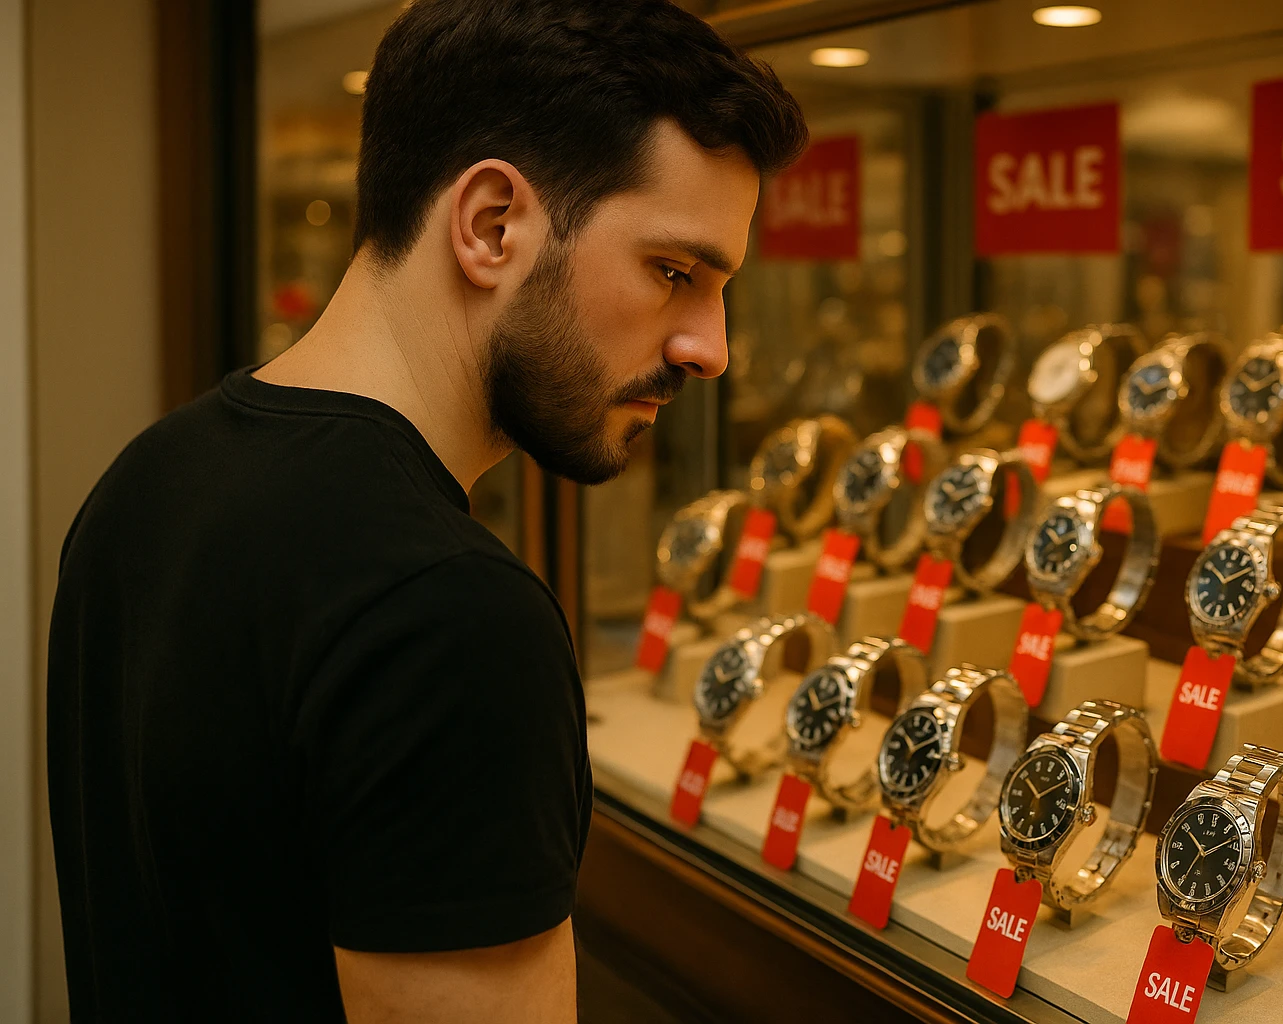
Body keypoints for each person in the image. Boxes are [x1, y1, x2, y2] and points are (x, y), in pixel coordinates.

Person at [46, 1, 807, 1020]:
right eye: (673, 272)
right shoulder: (450, 620)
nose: (710, 348)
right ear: (492, 224)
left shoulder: (148, 479)